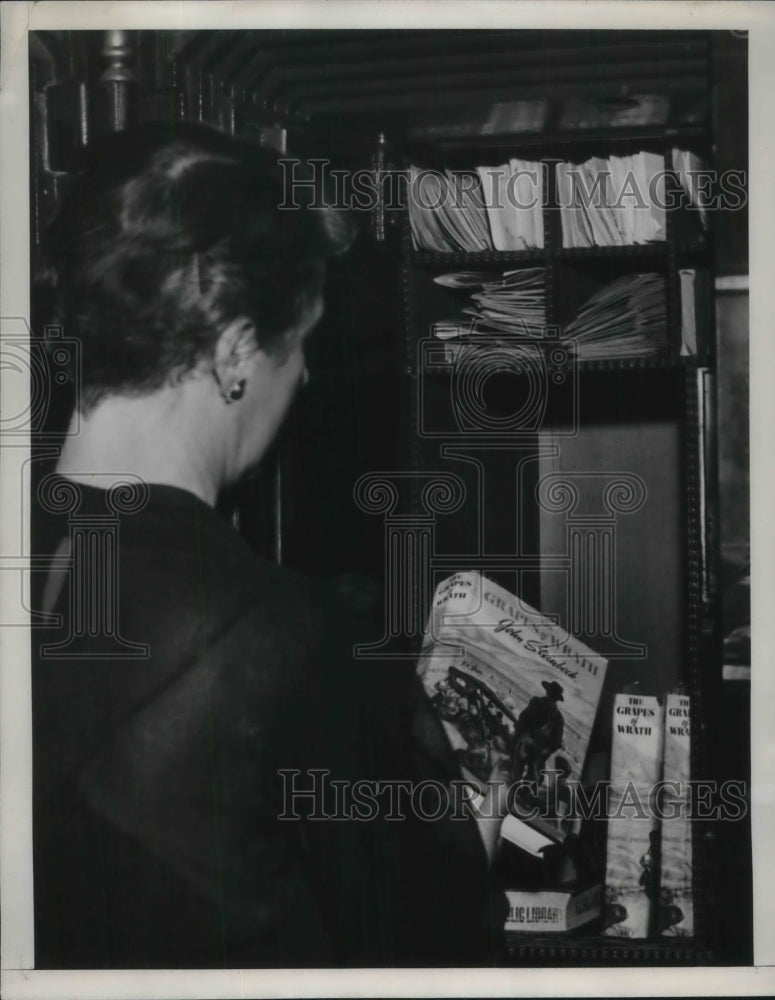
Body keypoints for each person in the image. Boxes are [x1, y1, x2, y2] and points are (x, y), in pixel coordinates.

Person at [31, 123, 505, 970]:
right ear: (237, 352)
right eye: (301, 344)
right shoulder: (296, 639)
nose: (307, 378)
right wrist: (468, 830)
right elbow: (429, 960)